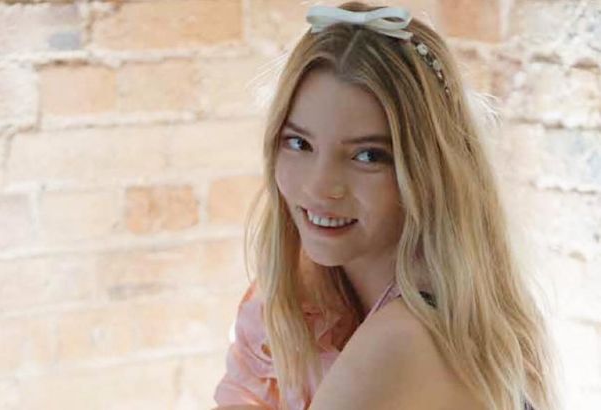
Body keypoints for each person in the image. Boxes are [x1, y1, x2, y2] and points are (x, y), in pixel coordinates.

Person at [212, 2, 561, 410]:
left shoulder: (404, 340)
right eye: (299, 143)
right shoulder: (319, 299)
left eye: (368, 156)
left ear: (429, 170)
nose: (320, 187)